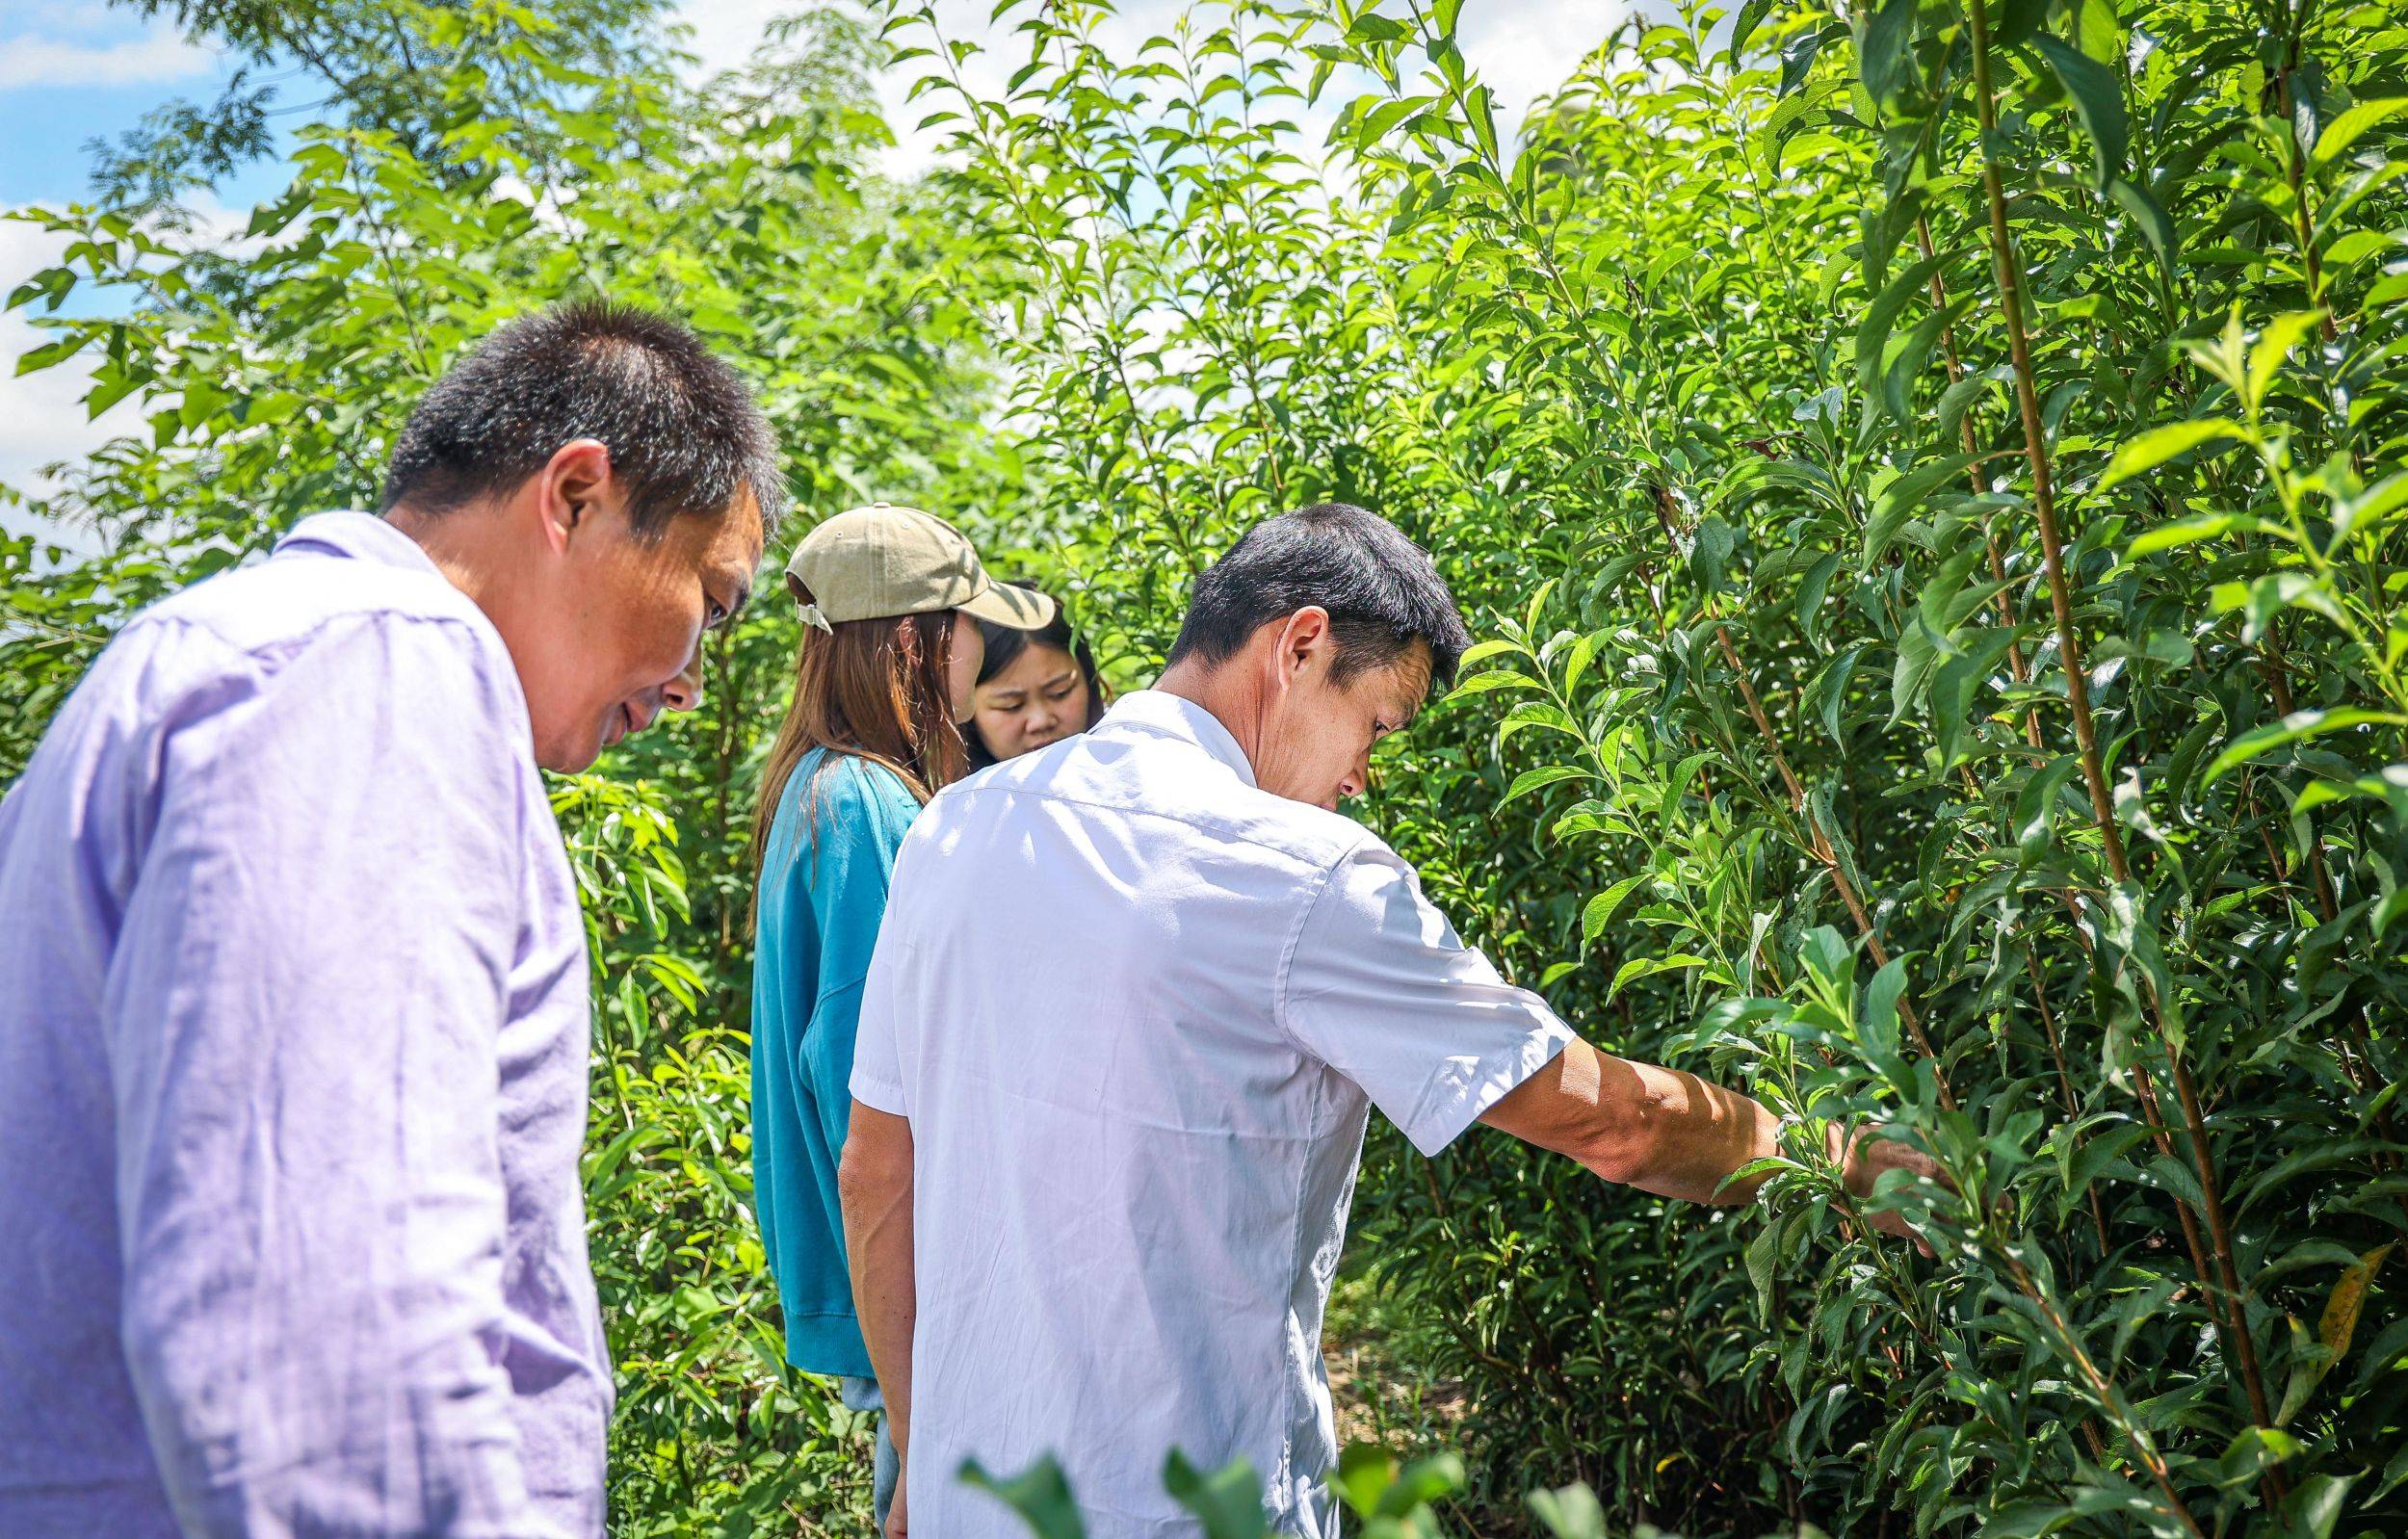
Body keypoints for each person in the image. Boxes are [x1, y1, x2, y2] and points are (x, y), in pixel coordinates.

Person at [838, 503, 1942, 1539]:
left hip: (972, 1495)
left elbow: (877, 1171)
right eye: (1377, 723)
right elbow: (1613, 1122)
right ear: (1300, 645)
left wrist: (916, 1448)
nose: (1364, 775)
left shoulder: (957, 829)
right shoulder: (1299, 875)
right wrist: (1851, 1163)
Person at [0, 301, 781, 1537]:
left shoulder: (223, 656)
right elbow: (323, 1331)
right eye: (713, 598)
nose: (692, 684)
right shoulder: (380, 667)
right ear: (577, 495)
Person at [748, 503, 1052, 1532]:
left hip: (901, 1300)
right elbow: (869, 1113)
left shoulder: (818, 785)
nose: (984, 648)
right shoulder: (865, 809)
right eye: (969, 624)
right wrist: (928, 1430)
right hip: (916, 1309)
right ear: (917, 642)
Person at [963, 582, 1109, 768]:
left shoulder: (1133, 755)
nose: (1040, 722)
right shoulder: (949, 786)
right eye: (1011, 706)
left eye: (1060, 692)